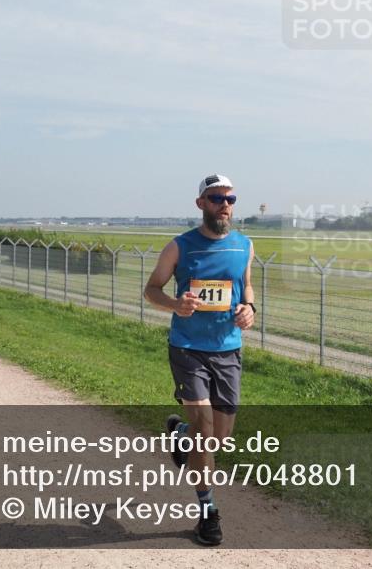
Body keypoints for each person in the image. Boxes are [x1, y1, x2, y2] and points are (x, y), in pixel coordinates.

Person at [144, 174, 255, 546]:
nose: (225, 204)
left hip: (227, 349)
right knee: (206, 434)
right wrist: (176, 305)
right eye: (216, 198)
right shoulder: (179, 247)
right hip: (188, 349)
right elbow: (151, 290)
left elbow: (246, 285)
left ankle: (179, 435)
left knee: (219, 439)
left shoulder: (244, 245)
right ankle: (208, 513)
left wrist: (249, 308)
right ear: (201, 204)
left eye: (230, 198)